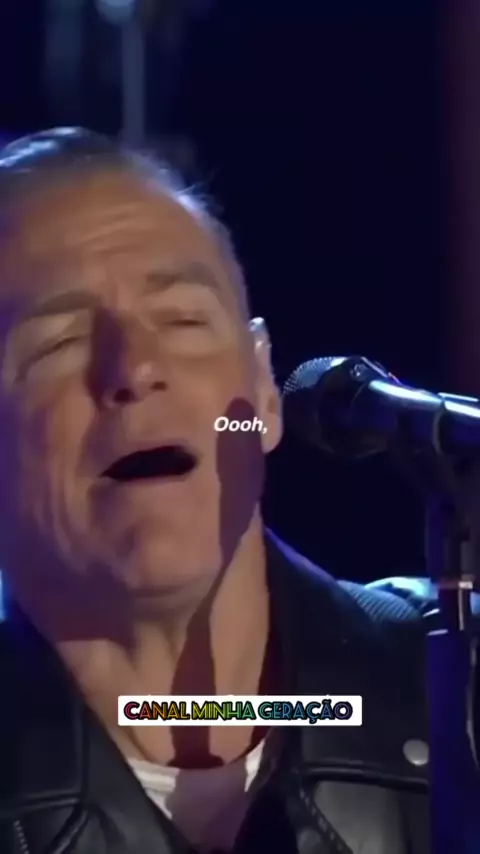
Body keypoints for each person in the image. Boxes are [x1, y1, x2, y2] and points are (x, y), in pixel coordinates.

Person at [0, 127, 432, 854]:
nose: (136, 368)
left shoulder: (453, 692)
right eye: (58, 343)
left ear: (262, 391)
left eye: (183, 320)